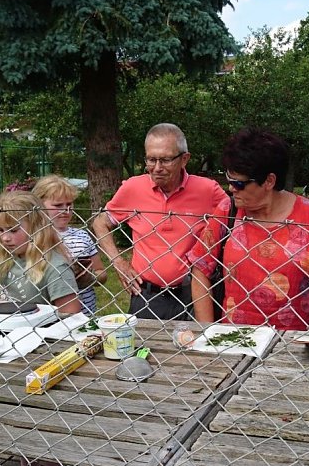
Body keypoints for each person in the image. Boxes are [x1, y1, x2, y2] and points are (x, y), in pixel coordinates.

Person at [189, 128, 309, 331]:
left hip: (294, 344)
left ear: (269, 181)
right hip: (234, 341)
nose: (231, 188)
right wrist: (208, 332)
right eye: (229, 179)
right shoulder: (229, 211)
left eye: (239, 183)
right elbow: (200, 268)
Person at [92, 123, 228, 320]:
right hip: (147, 295)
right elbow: (100, 223)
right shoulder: (133, 188)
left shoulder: (208, 190)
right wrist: (118, 261)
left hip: (193, 296)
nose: (157, 168)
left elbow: (235, 221)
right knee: (144, 349)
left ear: (184, 159)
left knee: (195, 348)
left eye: (165, 160)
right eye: (151, 159)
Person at [0, 190, 81, 314]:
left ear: (37, 228)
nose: (5, 238)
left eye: (13, 230)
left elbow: (72, 316)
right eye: (0, 230)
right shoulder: (9, 251)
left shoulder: (55, 267)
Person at [32, 174, 107, 315]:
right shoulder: (32, 237)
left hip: (84, 313)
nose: (66, 211)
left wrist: (90, 278)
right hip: (46, 313)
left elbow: (101, 272)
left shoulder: (82, 236)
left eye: (69, 204)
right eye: (58, 205)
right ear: (39, 205)